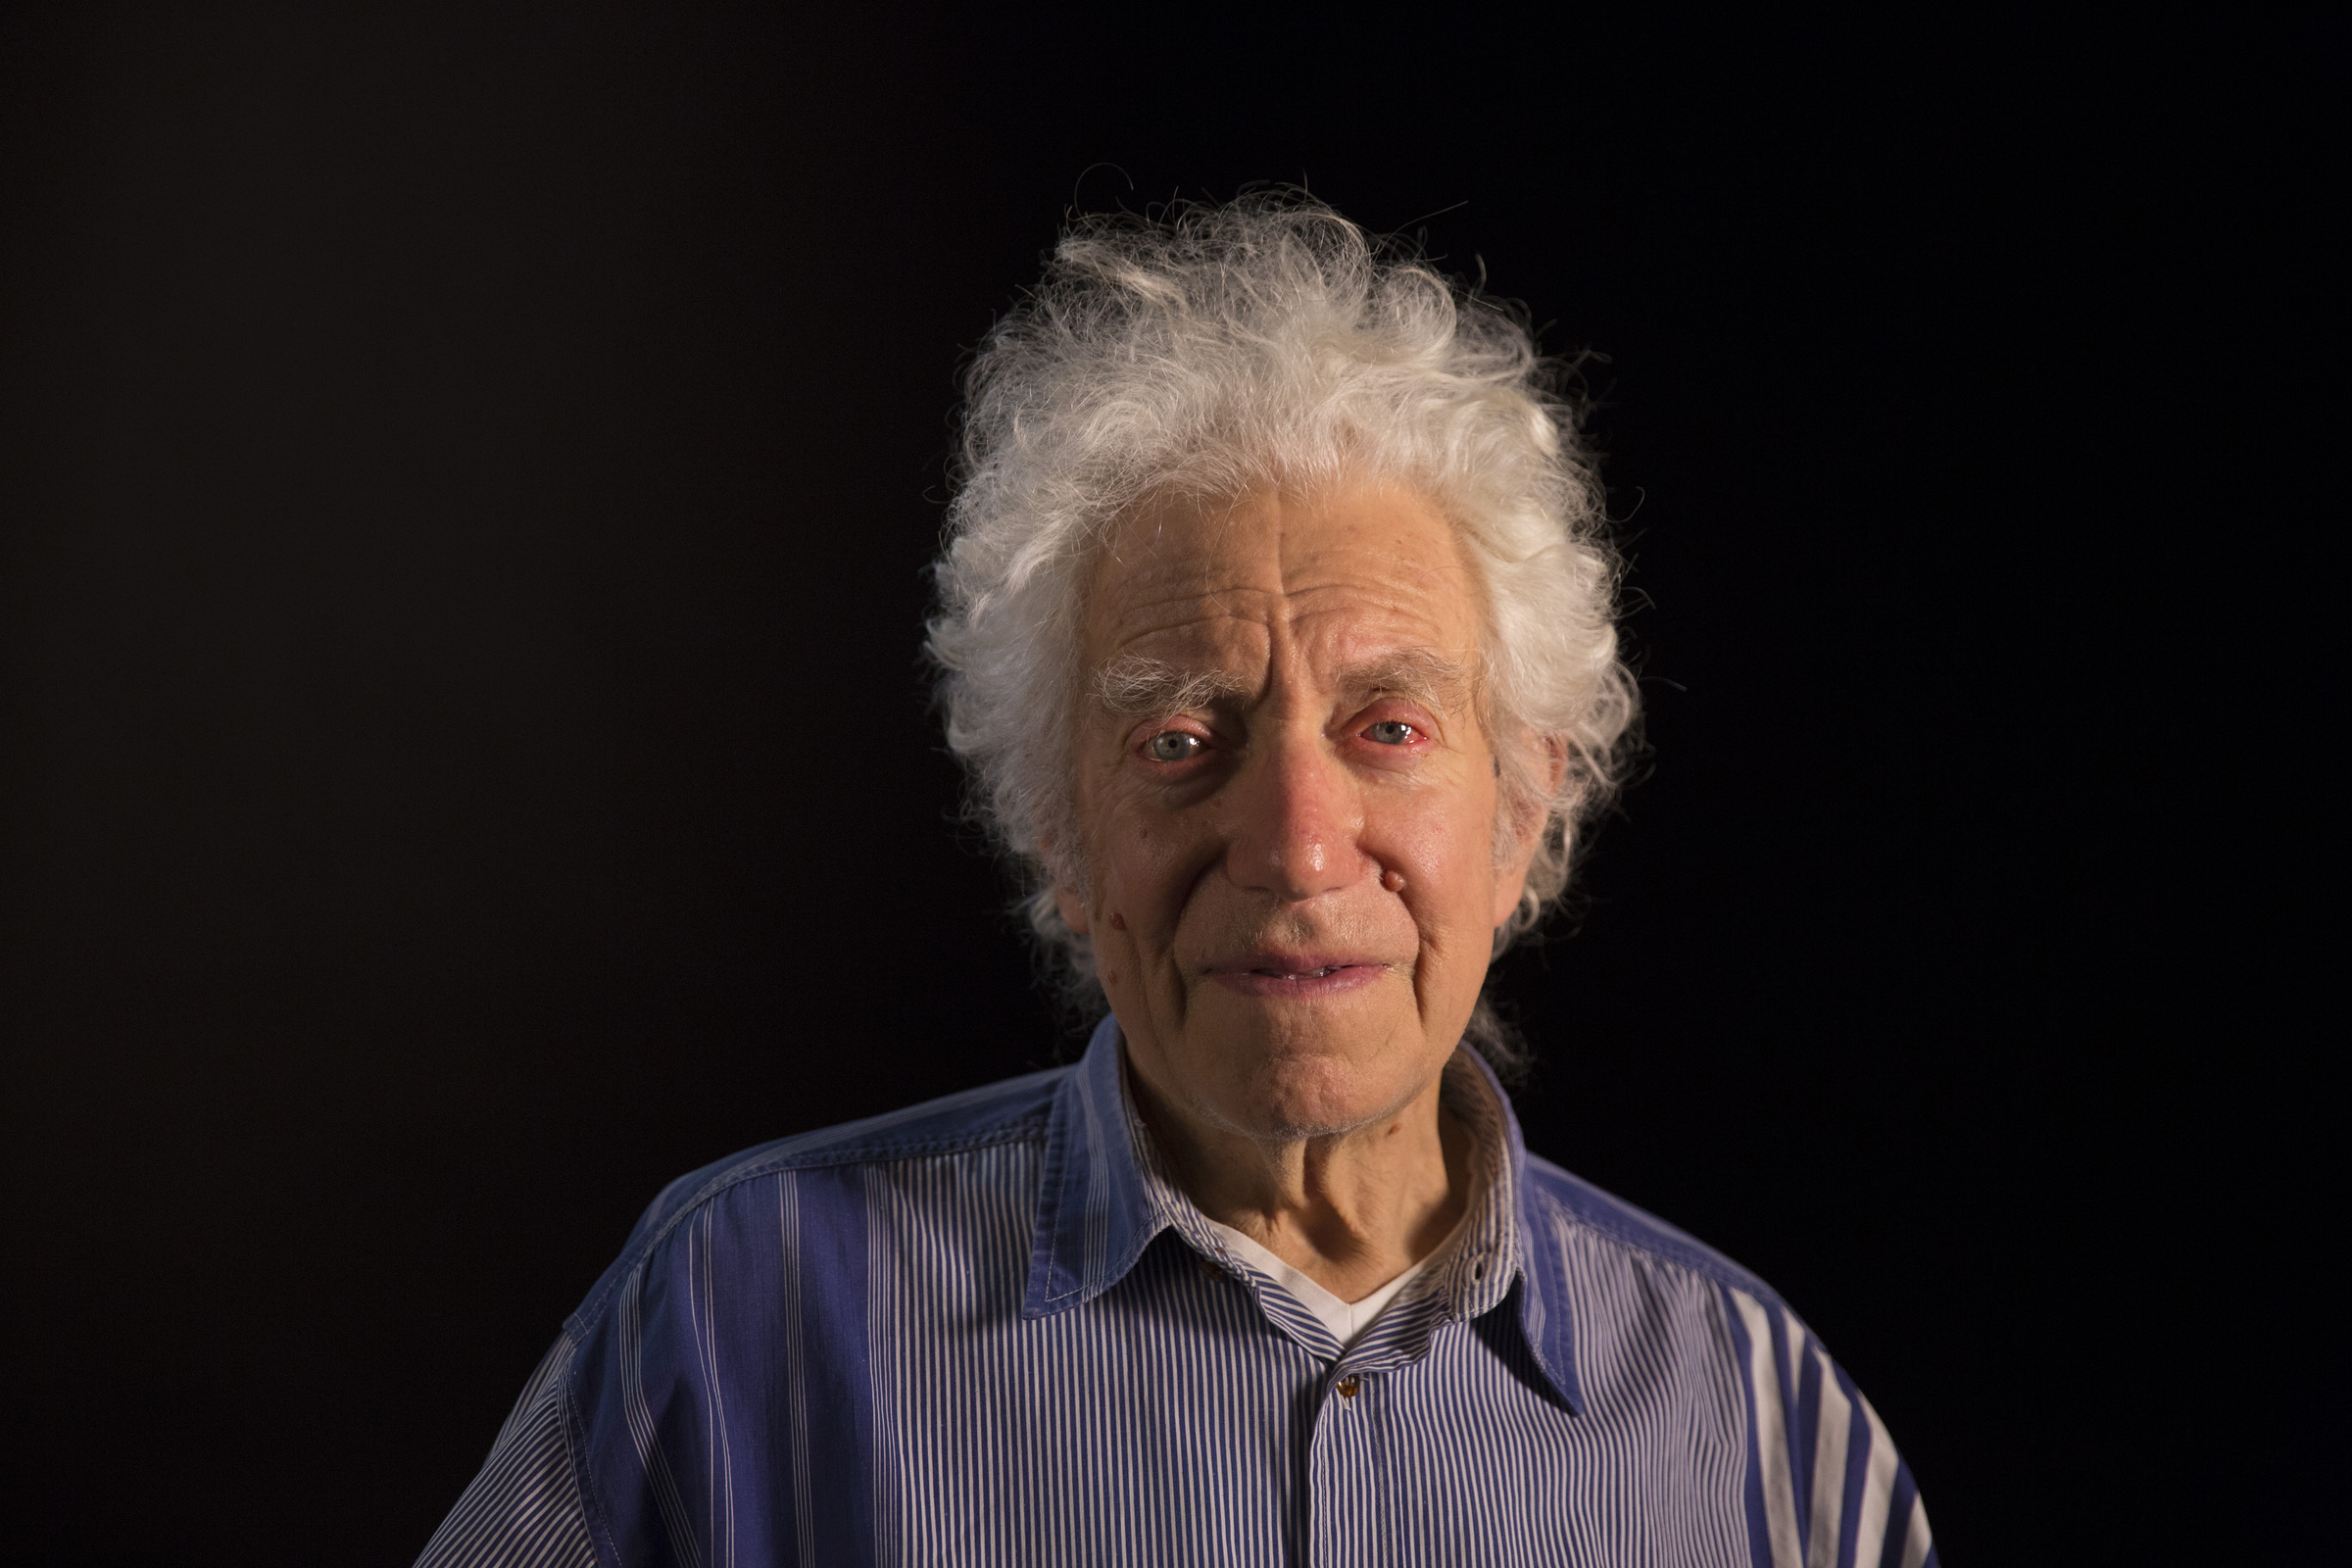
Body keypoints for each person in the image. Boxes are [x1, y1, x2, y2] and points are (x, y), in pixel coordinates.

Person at [416, 195, 1935, 1568]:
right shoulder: (733, 1320)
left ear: (1525, 810)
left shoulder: (1765, 1425)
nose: (1296, 846)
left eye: (1390, 728)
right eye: (1182, 739)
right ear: (1059, 830)